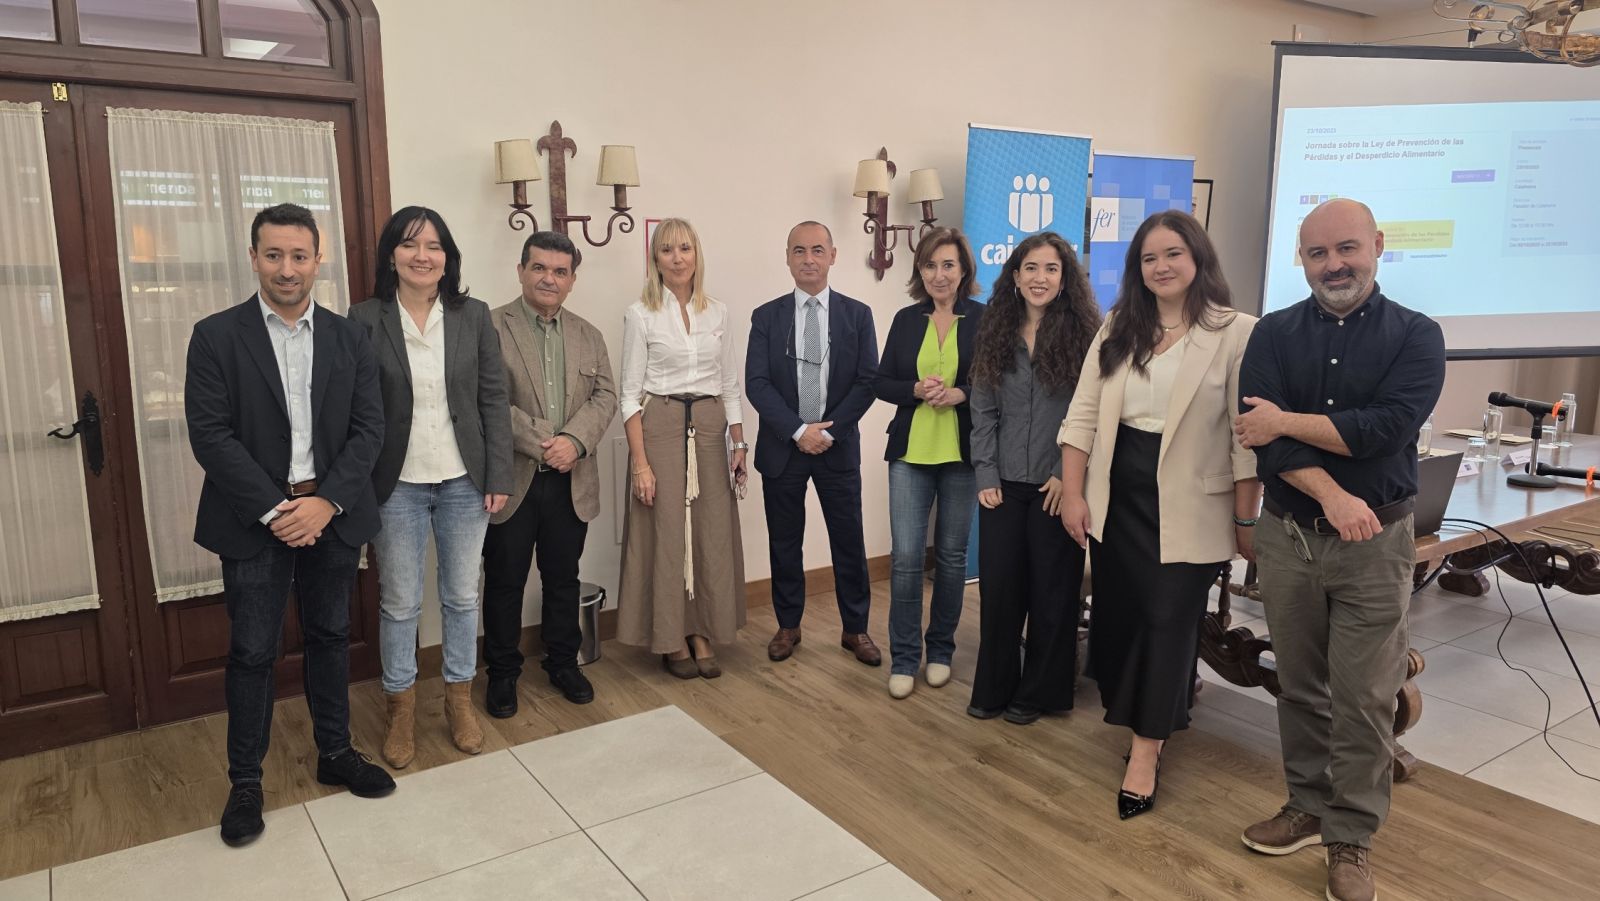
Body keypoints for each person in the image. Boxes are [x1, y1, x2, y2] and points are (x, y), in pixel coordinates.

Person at [1233, 198, 1444, 901]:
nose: (1334, 265)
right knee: (1299, 686)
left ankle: (1350, 837)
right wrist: (1331, 494)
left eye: (1347, 248)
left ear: (1377, 245)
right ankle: (1307, 805)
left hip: (1375, 545)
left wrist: (1286, 421)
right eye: (1318, 253)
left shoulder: (1417, 336)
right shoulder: (1272, 334)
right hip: (1288, 537)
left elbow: (1383, 429)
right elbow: (1259, 440)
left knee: (1363, 698)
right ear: (1301, 259)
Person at [185, 203, 392, 848]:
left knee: (331, 635)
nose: (286, 268)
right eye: (273, 255)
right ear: (253, 258)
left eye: (299, 256)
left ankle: (335, 752)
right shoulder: (215, 336)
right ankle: (246, 783)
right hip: (256, 522)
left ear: (317, 261)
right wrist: (278, 511)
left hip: (331, 514)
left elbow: (370, 429)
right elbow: (210, 436)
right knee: (252, 651)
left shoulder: (349, 337)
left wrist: (326, 503)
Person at [1057, 210, 1259, 821]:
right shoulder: (1119, 325)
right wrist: (1073, 494)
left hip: (1194, 503)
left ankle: (1145, 754)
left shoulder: (1237, 332)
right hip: (1118, 496)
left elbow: (1245, 437)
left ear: (1198, 258)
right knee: (1122, 620)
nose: (1161, 266)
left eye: (1173, 254)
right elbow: (1082, 414)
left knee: (1168, 620)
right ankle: (1152, 708)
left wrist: (1246, 519)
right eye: (1149, 258)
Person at [347, 207, 512, 768]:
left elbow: (493, 399)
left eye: (434, 246)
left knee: (462, 596)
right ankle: (401, 710)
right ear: (391, 254)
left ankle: (458, 701)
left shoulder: (473, 315)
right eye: (410, 244)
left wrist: (499, 474)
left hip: (465, 480)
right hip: (396, 485)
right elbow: (354, 409)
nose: (423, 255)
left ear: (447, 258)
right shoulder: (364, 318)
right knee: (399, 604)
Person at [480, 231, 617, 716]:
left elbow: (605, 396)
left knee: (563, 578)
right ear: (521, 271)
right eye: (539, 268)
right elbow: (485, 398)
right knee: (505, 582)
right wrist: (546, 441)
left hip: (571, 481)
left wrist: (574, 442)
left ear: (572, 280)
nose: (549, 278)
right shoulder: (490, 327)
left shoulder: (589, 335)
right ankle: (502, 673)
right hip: (512, 480)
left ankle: (562, 662)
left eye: (560, 271)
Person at [967, 232, 1100, 724]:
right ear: (1016, 277)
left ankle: (1039, 693)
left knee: (1052, 595)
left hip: (1056, 486)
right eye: (1031, 268)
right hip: (1002, 485)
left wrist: (1067, 476)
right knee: (1000, 592)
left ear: (1064, 279)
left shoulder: (1086, 337)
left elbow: (1091, 413)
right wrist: (986, 471)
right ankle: (994, 687)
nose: (1040, 278)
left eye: (1051, 269)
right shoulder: (995, 331)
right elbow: (983, 410)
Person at [745, 221, 881, 666]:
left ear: (833, 256)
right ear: (787, 258)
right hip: (783, 449)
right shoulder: (766, 317)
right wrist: (799, 431)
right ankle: (788, 625)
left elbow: (867, 381)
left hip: (836, 448)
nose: (808, 259)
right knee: (785, 543)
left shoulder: (857, 315)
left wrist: (828, 432)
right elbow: (757, 383)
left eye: (817, 250)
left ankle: (855, 629)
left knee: (849, 541)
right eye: (799, 251)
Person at [616, 218, 748, 677]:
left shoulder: (719, 312)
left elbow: (730, 384)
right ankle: (670, 637)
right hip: (661, 425)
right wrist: (640, 464)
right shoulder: (640, 314)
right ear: (655, 258)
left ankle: (701, 631)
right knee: (667, 531)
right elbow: (629, 395)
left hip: (710, 427)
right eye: (667, 249)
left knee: (710, 532)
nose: (677, 258)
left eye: (685, 248)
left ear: (697, 255)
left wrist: (738, 443)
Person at [874, 227, 985, 700]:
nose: (939, 274)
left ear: (963, 270)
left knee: (953, 558)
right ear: (920, 271)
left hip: (962, 455)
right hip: (910, 454)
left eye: (948, 265)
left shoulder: (984, 318)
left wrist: (962, 394)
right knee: (905, 559)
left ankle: (940, 650)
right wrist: (915, 389)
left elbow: (999, 384)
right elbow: (881, 382)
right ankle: (904, 657)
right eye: (930, 265)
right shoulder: (905, 319)